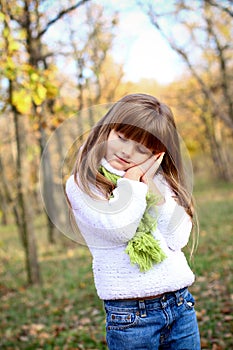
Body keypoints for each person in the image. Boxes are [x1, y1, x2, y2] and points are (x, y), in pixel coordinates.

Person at [65, 93, 200, 349]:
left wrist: (152, 185)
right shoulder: (84, 183)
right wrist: (134, 180)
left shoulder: (158, 180)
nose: (127, 152)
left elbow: (177, 238)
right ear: (108, 129)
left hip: (180, 306)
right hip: (131, 318)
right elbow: (122, 229)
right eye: (122, 137)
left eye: (142, 149)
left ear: (156, 154)